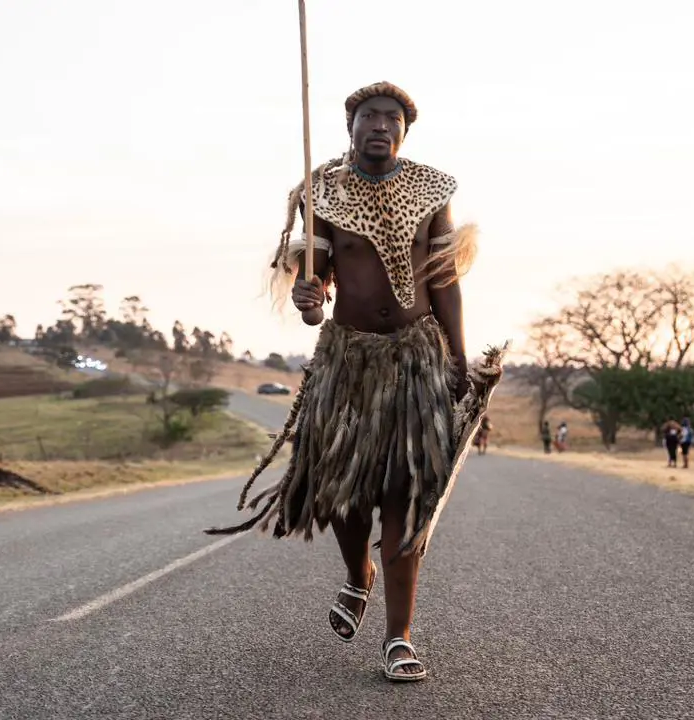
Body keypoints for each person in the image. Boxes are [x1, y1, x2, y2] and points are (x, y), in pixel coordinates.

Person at [205, 81, 502, 683]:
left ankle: (398, 637)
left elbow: (445, 282)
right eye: (369, 116)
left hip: (417, 356)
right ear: (350, 127)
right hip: (348, 359)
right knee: (344, 492)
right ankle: (356, 575)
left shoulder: (430, 190)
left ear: (403, 132)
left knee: (402, 493)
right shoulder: (323, 194)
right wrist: (309, 300)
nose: (380, 126)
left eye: (392, 118)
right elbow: (312, 297)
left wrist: (459, 362)